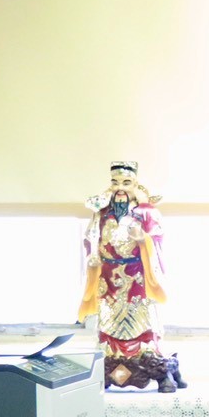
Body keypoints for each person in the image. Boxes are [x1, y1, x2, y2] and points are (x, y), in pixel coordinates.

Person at [79, 160, 183, 391]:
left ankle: (149, 357)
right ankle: (110, 357)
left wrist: (142, 239)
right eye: (115, 182)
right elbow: (91, 238)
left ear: (136, 185)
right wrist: (93, 255)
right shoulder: (102, 213)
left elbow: (157, 239)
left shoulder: (146, 212)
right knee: (108, 320)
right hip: (108, 277)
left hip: (137, 275)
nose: (120, 188)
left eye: (126, 182)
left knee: (142, 320)